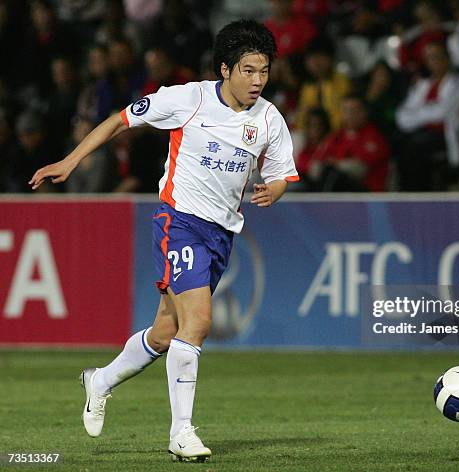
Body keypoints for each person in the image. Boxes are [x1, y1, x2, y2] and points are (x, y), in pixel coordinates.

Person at [29, 19, 298, 462]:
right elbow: (119, 122)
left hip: (222, 234)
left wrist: (275, 190)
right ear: (225, 69)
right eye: (249, 70)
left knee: (166, 331)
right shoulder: (186, 99)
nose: (257, 81)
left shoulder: (268, 119)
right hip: (180, 221)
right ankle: (181, 432)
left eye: (264, 71)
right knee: (200, 322)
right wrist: (70, 160)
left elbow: (282, 172)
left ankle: (100, 381)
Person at [395, 41, 459, 191]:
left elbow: (442, 113)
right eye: (430, 58)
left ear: (447, 59)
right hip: (421, 133)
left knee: (416, 146)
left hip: (449, 134)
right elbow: (402, 117)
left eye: (437, 56)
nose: (434, 61)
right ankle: (406, 193)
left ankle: (419, 193)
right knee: (400, 141)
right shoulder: (422, 85)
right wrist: (427, 112)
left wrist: (419, 113)